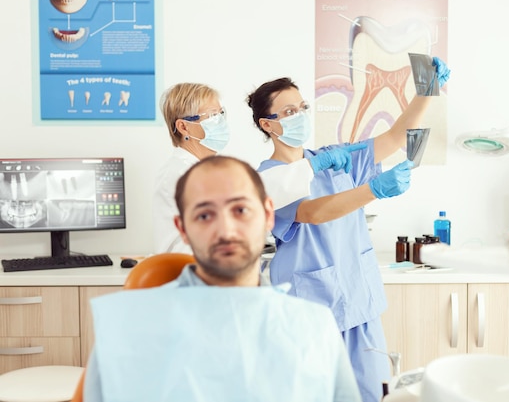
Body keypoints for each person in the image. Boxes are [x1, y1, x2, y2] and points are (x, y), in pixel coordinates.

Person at [247, 59, 449, 402]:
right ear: (268, 124)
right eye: (289, 110)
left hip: (358, 300)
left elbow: (396, 136)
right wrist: (374, 190)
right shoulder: (268, 178)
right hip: (311, 309)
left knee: (372, 394)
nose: (301, 114)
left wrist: (426, 91)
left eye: (303, 107)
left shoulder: (334, 157)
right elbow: (312, 213)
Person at [83, 156, 362, 402]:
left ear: (267, 216)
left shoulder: (313, 328)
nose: (226, 230)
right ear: (182, 228)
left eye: (240, 210)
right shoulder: (127, 329)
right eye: (205, 215)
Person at [154, 82, 365, 254]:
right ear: (183, 127)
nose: (220, 122)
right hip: (193, 277)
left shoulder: (209, 169)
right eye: (211, 116)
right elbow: (246, 194)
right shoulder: (179, 174)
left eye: (221, 113)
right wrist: (312, 165)